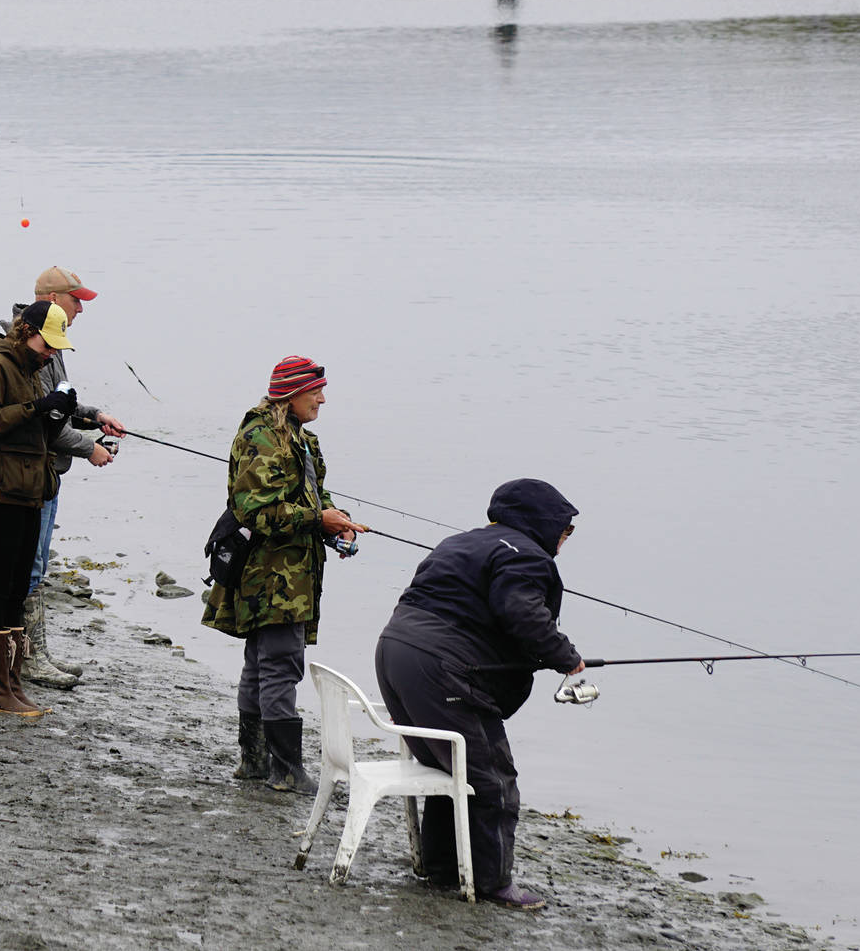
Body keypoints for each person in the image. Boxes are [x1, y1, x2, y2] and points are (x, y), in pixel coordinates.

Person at [374, 478, 584, 911]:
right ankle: (492, 883)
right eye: (564, 530)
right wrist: (565, 656)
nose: (565, 540)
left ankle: (440, 868)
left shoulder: (460, 542)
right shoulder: (525, 554)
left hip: (394, 651)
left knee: (443, 766)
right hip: (439, 665)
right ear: (541, 522)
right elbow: (522, 613)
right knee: (492, 779)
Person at [201, 356, 367, 794]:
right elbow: (256, 511)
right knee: (280, 666)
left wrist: (339, 521)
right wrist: (320, 521)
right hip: (269, 575)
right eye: (317, 391)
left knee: (262, 665)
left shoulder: (302, 439)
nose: (323, 398)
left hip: (294, 572)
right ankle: (284, 769)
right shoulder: (262, 436)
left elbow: (315, 495)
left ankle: (254, 763)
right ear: (292, 394)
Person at [0, 267, 124, 690]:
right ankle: (27, 659)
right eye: (75, 299)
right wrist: (90, 447)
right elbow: (41, 420)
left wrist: (95, 416)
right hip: (32, 472)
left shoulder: (48, 343)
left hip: (46, 470)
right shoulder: (28, 348)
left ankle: (34, 653)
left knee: (36, 564)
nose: (81, 307)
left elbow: (59, 404)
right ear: (50, 298)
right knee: (28, 568)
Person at [0, 299, 76, 719]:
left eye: (54, 347)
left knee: (15, 591)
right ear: (24, 330)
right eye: (46, 343)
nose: (51, 352)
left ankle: (11, 683)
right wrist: (35, 408)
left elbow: (30, 425)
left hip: (28, 489)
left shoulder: (29, 370)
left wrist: (56, 412)